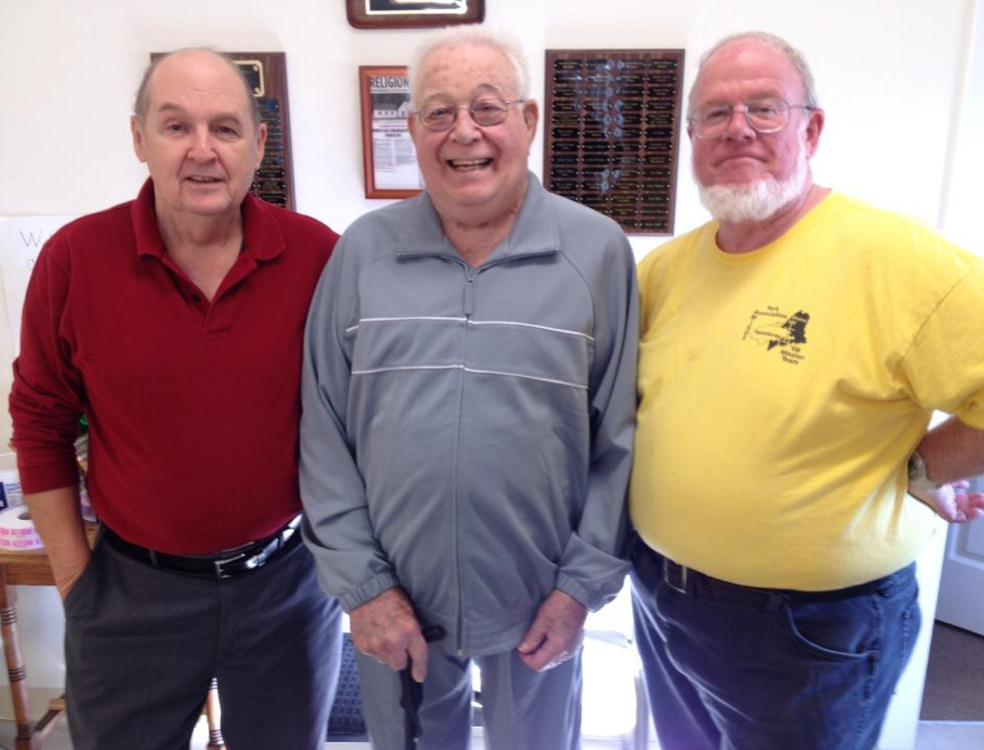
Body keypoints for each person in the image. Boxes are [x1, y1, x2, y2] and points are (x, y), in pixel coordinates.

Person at [629, 30, 984, 750]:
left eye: (763, 108)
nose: (736, 128)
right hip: (663, 597)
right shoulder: (666, 270)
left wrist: (923, 467)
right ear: (691, 137)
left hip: (807, 633)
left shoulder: (895, 258)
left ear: (812, 128)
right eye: (713, 113)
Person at [300, 25, 637, 750]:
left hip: (541, 601)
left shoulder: (597, 253)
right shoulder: (362, 253)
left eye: (487, 108)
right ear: (414, 129)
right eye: (437, 112)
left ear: (528, 120)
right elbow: (322, 432)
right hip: (394, 603)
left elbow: (621, 443)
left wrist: (581, 587)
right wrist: (363, 586)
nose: (464, 133)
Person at [9, 48, 342, 750]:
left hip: (287, 586)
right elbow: (39, 423)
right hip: (132, 594)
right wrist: (77, 583)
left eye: (225, 128)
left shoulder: (319, 257)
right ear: (139, 139)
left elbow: (358, 419)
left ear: (258, 144)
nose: (202, 151)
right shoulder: (74, 259)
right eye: (175, 126)